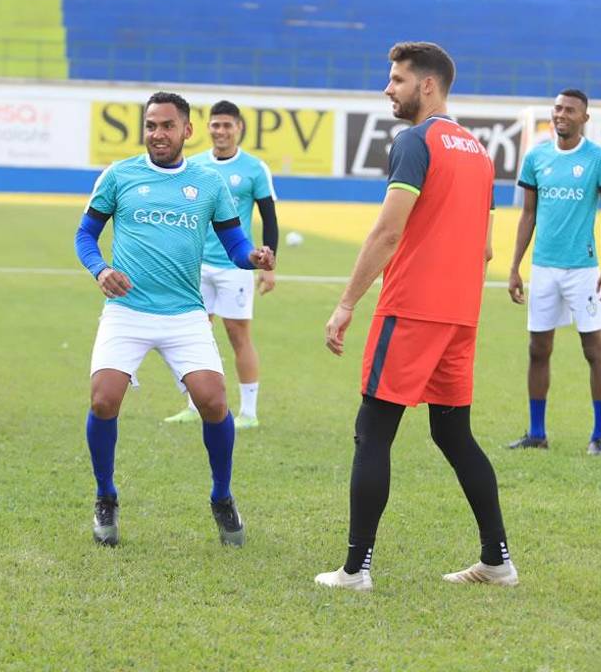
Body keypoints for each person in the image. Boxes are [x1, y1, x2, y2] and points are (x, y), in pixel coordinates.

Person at [315, 42, 516, 592]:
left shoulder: (415, 141)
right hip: (460, 315)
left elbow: (387, 231)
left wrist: (348, 302)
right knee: (454, 435)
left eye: (398, 79)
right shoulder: (478, 150)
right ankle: (497, 561)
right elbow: (487, 251)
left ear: (428, 85)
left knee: (372, 432)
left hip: (411, 310)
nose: (388, 88)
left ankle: (355, 571)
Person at [75, 91, 274, 548]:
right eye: (150, 125)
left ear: (186, 130)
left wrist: (254, 256)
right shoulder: (120, 175)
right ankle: (106, 496)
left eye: (167, 126)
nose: (157, 134)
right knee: (104, 400)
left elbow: (235, 243)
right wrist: (101, 269)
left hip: (184, 312)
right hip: (127, 310)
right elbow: (86, 234)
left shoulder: (208, 184)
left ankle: (222, 497)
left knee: (213, 402)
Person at [507, 89, 601, 455]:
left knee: (593, 349)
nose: (562, 114)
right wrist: (514, 266)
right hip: (543, 269)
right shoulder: (536, 157)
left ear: (584, 118)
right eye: (557, 108)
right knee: (538, 349)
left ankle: (599, 436)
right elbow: (528, 215)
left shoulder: (597, 159)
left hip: (583, 271)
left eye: (570, 110)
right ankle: (537, 434)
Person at [164, 100, 278, 429]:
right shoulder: (195, 166)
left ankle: (249, 412)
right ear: (208, 128)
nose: (221, 131)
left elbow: (269, 218)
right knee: (192, 334)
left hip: (235, 266)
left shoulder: (254, 169)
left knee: (237, 334)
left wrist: (269, 267)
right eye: (216, 125)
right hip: (195, 266)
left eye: (228, 125)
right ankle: (192, 405)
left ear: (239, 128)